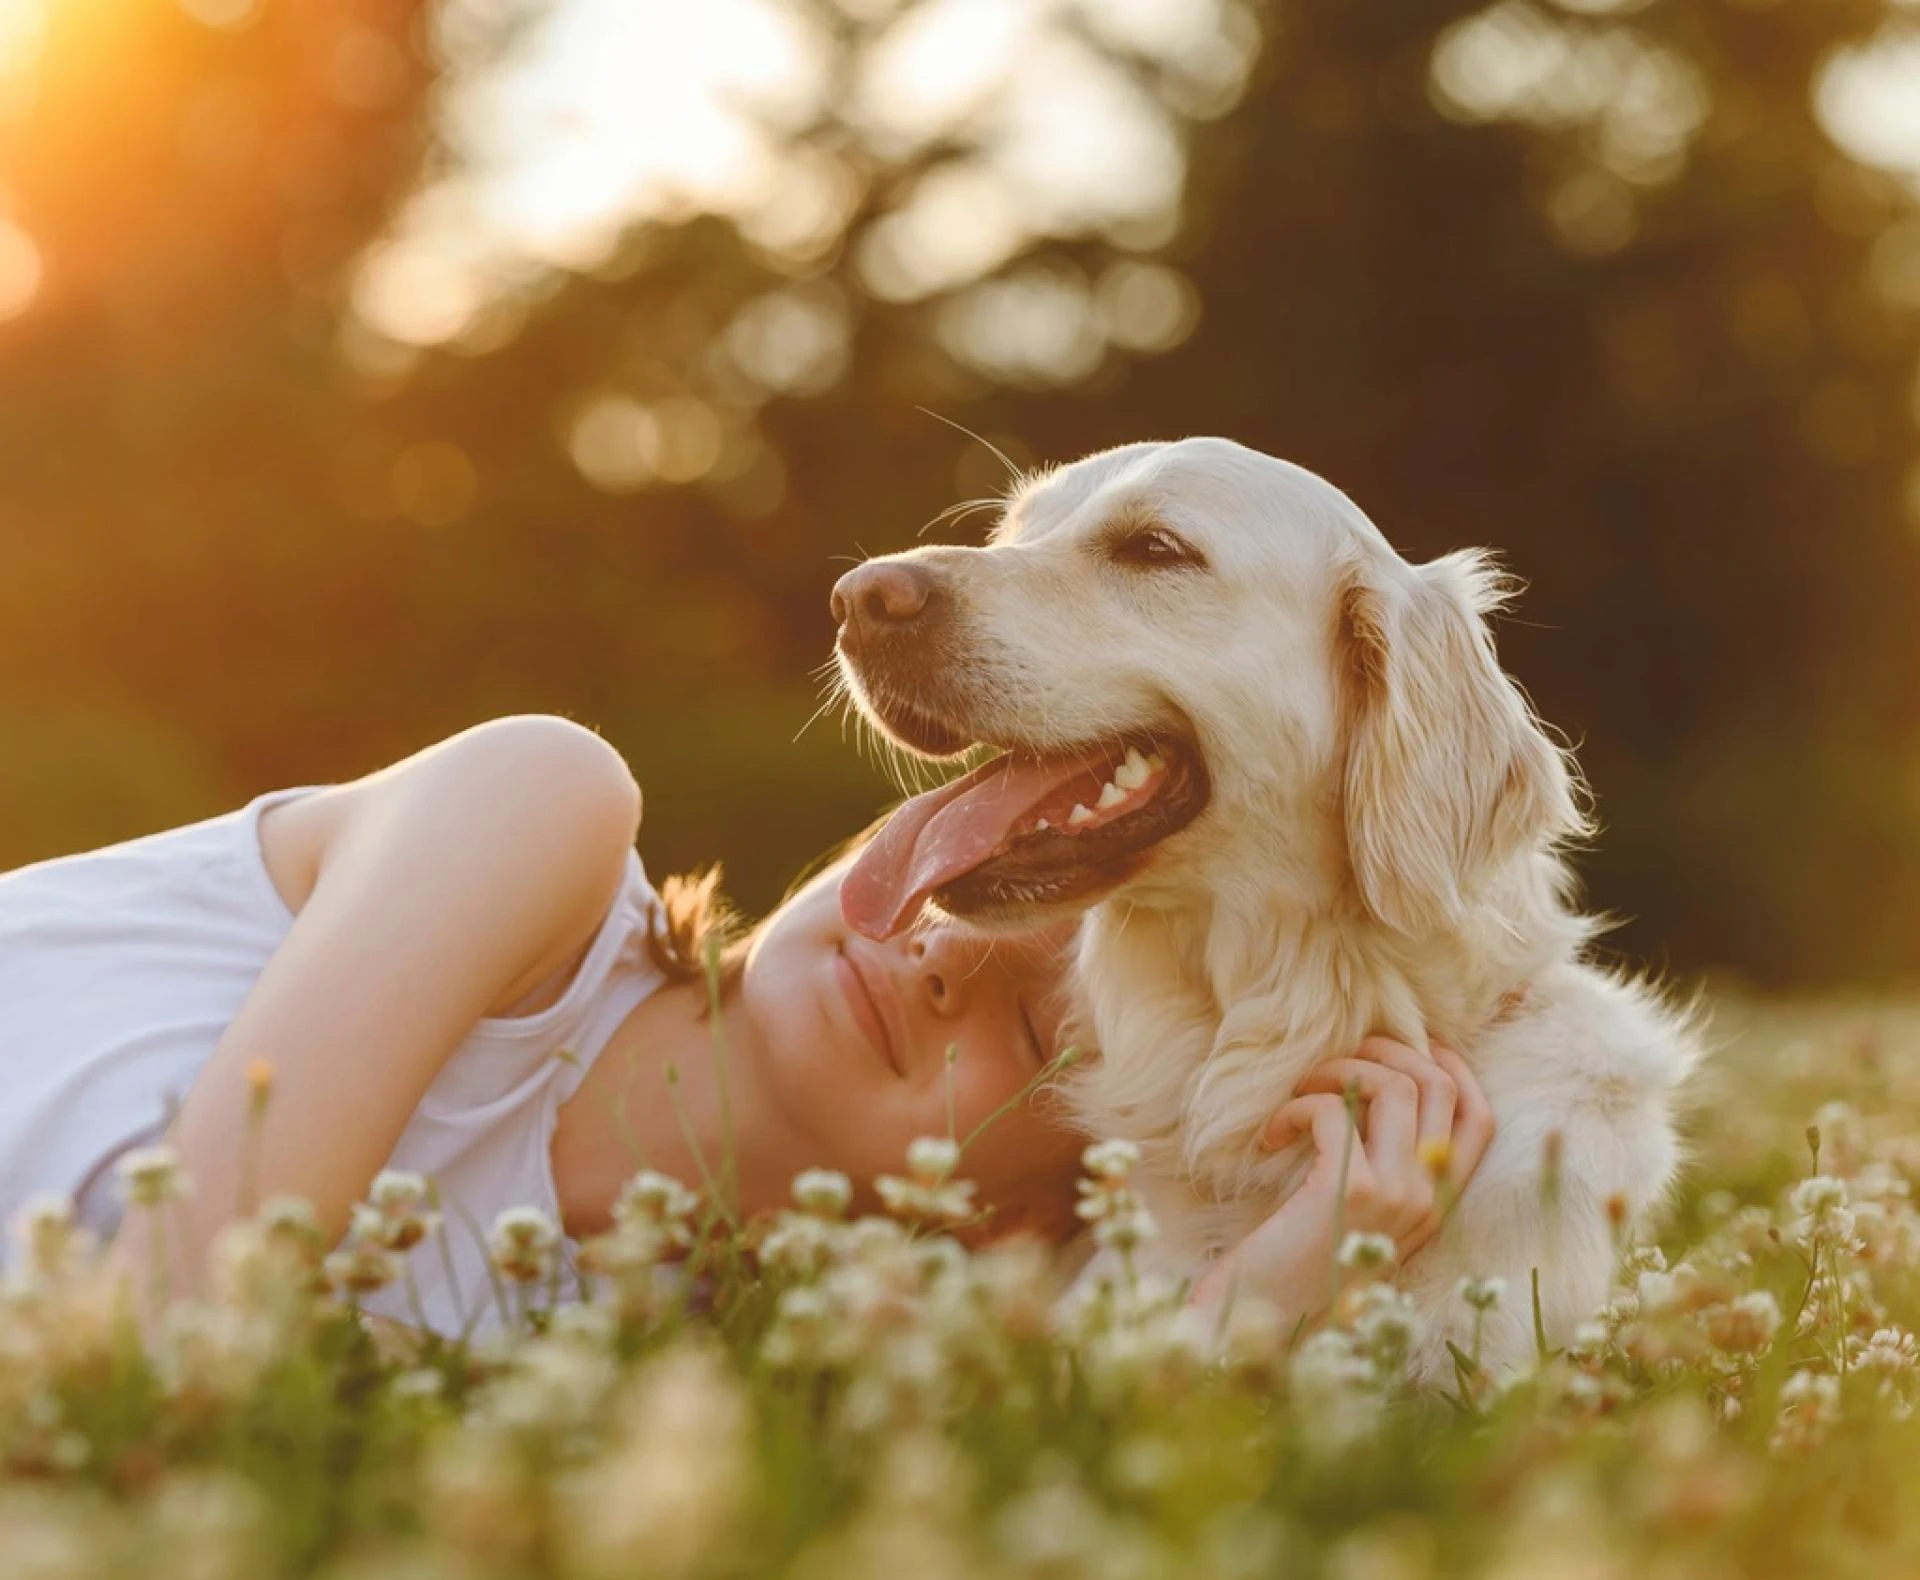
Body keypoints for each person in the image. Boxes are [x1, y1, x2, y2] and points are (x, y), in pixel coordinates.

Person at [0, 714, 1493, 1336]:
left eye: (1042, 1033)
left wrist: (1283, 1285)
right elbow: (149, 1344)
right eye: (963, 878)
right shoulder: (540, 813)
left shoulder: (665, 1383)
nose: (941, 961)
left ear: (1019, 1223)